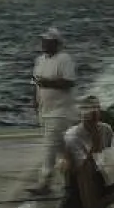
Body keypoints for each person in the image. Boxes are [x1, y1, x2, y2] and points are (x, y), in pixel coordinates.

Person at [27, 27, 78, 197]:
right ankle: (74, 181)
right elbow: (35, 83)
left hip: (61, 112)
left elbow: (69, 82)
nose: (44, 44)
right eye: (43, 41)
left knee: (49, 147)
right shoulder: (39, 60)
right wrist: (35, 100)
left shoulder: (65, 59)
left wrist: (48, 83)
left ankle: (45, 182)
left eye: (48, 41)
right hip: (45, 111)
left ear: (56, 43)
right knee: (63, 150)